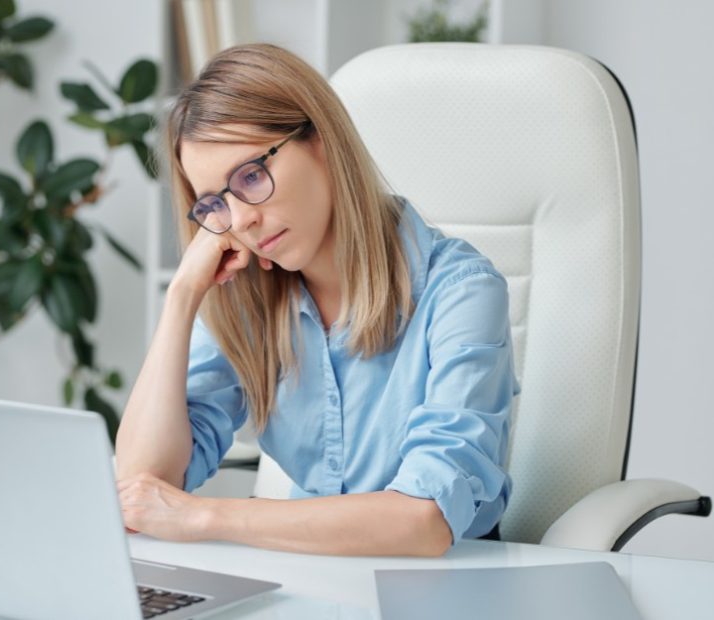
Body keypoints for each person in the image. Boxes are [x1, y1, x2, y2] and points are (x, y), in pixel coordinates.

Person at [115, 43, 520, 557]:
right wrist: (182, 297)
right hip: (310, 573)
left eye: (251, 177)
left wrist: (208, 516)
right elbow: (143, 490)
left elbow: (424, 520)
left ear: (321, 140)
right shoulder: (246, 298)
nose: (240, 221)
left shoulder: (461, 291)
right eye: (215, 203)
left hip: (449, 587)